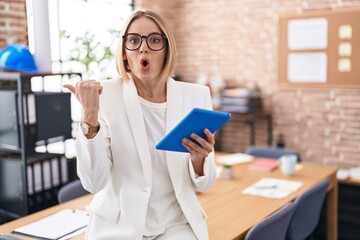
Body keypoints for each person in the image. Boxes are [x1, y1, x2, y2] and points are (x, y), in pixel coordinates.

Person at [63, 9, 217, 240]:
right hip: (118, 225)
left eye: (154, 40)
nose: (143, 48)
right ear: (124, 53)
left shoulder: (196, 97)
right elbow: (93, 182)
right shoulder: (104, 96)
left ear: (167, 50)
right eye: (134, 40)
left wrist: (199, 160)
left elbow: (204, 183)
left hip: (175, 224)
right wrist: (90, 116)